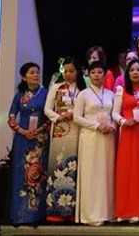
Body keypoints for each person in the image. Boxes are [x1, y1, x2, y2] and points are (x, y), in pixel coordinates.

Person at [73, 61, 116, 226]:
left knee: (106, 174)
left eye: (100, 72)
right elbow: (77, 117)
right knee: (91, 174)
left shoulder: (111, 94)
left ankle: (107, 212)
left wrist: (111, 126)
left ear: (105, 75)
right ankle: (91, 214)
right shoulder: (83, 94)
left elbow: (115, 115)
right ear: (88, 75)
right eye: (93, 73)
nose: (97, 75)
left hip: (108, 138)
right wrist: (97, 126)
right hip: (90, 137)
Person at [7, 62, 50, 225]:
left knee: (39, 176)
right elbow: (11, 118)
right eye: (31, 73)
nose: (35, 75)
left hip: (40, 141)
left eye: (37, 72)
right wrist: (23, 131)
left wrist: (40, 130)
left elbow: (49, 118)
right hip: (23, 140)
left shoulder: (45, 93)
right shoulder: (19, 96)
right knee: (21, 176)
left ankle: (36, 216)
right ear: (24, 77)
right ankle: (19, 215)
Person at [44, 57, 86, 222]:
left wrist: (73, 114)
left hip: (77, 129)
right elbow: (47, 109)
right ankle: (56, 210)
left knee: (75, 167)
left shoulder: (82, 89)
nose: (68, 74)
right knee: (58, 165)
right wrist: (59, 117)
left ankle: (73, 210)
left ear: (78, 72)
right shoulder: (56, 87)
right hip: (60, 131)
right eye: (66, 71)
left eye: (72, 71)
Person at [112, 59, 139, 222]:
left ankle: (138, 211)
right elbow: (114, 113)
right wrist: (123, 121)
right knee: (125, 171)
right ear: (127, 73)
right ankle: (123, 211)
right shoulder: (122, 90)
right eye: (132, 70)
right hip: (127, 134)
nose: (135, 72)